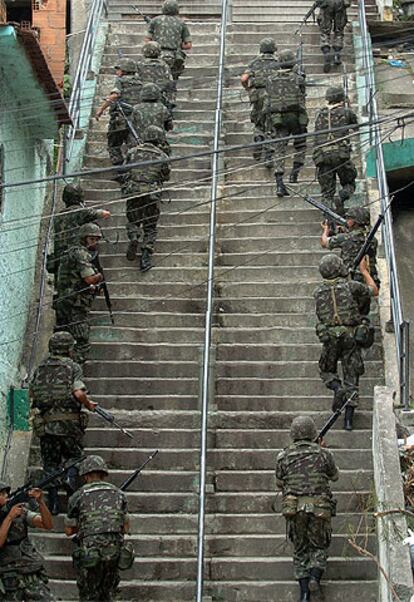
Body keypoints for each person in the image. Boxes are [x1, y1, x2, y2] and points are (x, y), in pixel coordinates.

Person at [29, 331, 97, 515]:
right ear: (68, 348)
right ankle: (69, 478)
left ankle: (52, 505)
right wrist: (89, 404)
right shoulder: (73, 367)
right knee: (75, 457)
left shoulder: (40, 368)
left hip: (46, 425)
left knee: (50, 463)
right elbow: (78, 393)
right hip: (69, 425)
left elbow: (32, 394)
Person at [276, 416, 339, 602]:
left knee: (300, 548)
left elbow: (279, 482)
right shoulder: (323, 454)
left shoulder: (283, 455)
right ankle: (314, 579)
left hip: (294, 508)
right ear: (312, 432)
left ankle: (304, 594)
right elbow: (334, 476)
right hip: (319, 508)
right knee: (319, 546)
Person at [314, 253, 378, 430]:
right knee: (352, 375)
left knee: (326, 369)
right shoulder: (352, 287)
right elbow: (373, 291)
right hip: (350, 336)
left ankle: (336, 388)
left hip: (330, 337)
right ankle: (348, 421)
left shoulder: (317, 292)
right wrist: (364, 272)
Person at [64, 455, 133, 602]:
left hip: (90, 553)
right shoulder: (119, 494)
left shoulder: (77, 496)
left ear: (85, 475)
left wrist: (87, 525)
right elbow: (125, 527)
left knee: (89, 595)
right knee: (109, 593)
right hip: (113, 552)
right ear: (104, 474)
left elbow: (68, 531)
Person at [121, 126, 171, 272]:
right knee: (150, 226)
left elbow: (124, 170)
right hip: (151, 194)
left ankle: (134, 236)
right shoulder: (162, 156)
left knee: (133, 220)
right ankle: (145, 257)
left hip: (134, 192)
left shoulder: (132, 152)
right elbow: (165, 175)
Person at [55, 223, 104, 364]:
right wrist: (99, 276)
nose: (95, 243)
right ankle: (74, 373)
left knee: (61, 340)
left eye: (96, 239)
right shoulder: (81, 253)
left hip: (63, 300)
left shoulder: (69, 252)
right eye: (92, 239)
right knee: (82, 341)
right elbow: (89, 279)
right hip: (75, 303)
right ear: (84, 238)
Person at [0, 483, 54, 601]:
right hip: (7, 575)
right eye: (2, 494)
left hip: (30, 570)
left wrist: (41, 502)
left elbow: (47, 524)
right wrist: (9, 517)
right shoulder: (10, 514)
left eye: (6, 493)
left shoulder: (20, 512)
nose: (6, 496)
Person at [264, 49, 308, 196]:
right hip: (295, 117)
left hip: (277, 118)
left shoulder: (270, 79)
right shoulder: (298, 78)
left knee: (279, 149)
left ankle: (279, 183)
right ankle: (294, 174)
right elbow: (302, 96)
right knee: (300, 145)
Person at [313, 86, 358, 219]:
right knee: (349, 182)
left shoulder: (319, 114)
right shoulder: (346, 112)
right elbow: (356, 128)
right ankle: (341, 197)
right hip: (340, 155)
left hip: (322, 156)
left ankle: (328, 219)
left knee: (326, 193)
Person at [47, 184, 110, 277]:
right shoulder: (80, 212)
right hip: (77, 257)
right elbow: (102, 214)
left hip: (60, 260)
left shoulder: (58, 217)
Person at [95, 59, 142, 167]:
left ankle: (119, 169)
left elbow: (115, 95)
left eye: (119, 69)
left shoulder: (120, 81)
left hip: (119, 118)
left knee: (114, 145)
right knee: (133, 145)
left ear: (124, 70)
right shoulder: (140, 82)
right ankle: (132, 167)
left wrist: (101, 109)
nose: (117, 72)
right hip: (135, 118)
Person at [240, 38, 279, 163]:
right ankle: (269, 154)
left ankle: (258, 138)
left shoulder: (255, 62)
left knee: (258, 122)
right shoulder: (279, 62)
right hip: (274, 95)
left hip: (258, 95)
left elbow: (244, 78)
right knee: (271, 123)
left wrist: (248, 89)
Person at [320, 206, 380, 288]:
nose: (347, 220)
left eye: (349, 218)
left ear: (354, 221)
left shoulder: (345, 238)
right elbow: (359, 239)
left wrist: (326, 229)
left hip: (351, 281)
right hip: (370, 280)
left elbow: (324, 243)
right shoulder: (373, 240)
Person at [144, 0, 192, 82]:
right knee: (172, 80)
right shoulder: (181, 23)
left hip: (156, 56)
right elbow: (188, 45)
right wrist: (177, 44)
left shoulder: (155, 21)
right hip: (174, 57)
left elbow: (147, 40)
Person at [136, 41, 175, 115]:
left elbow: (136, 80)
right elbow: (170, 82)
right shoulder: (164, 65)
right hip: (160, 97)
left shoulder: (139, 64)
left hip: (143, 97)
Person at [131, 83, 173, 148]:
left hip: (139, 143)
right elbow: (169, 126)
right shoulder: (162, 108)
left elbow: (131, 125)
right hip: (159, 144)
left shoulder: (135, 108)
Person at [317, 0, 351, 73]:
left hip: (326, 3)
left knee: (325, 30)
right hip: (340, 3)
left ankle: (326, 52)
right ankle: (337, 53)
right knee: (339, 30)